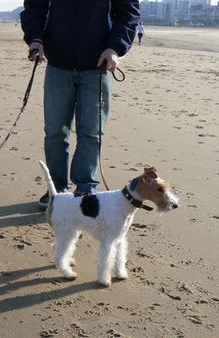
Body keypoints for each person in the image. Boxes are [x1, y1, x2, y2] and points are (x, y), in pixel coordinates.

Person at [21, 0, 140, 209]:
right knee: (55, 131)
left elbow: (128, 14)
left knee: (92, 132)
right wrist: (36, 39)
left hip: (98, 66)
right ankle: (56, 190)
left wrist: (115, 48)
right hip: (58, 65)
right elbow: (34, 8)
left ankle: (86, 188)